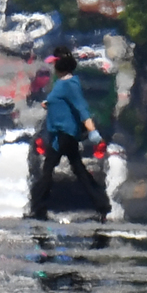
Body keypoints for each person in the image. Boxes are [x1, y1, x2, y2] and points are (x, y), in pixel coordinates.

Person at [28, 47, 110, 222]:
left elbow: (82, 109)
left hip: (65, 135)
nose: (53, 67)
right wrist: (48, 104)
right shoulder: (61, 84)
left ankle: (38, 208)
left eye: (55, 64)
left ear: (60, 65)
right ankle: (102, 204)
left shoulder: (70, 84)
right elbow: (60, 104)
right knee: (75, 170)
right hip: (58, 135)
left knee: (49, 171)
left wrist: (93, 131)